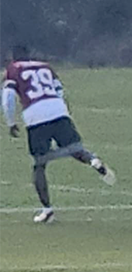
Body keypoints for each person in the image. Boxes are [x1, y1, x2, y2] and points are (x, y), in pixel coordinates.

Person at [2, 45, 116, 223]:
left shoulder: (13, 69)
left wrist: (10, 122)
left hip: (35, 116)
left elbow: (8, 97)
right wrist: (64, 111)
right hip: (58, 110)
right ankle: (93, 160)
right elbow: (60, 91)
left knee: (39, 164)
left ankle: (47, 210)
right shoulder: (45, 66)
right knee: (75, 148)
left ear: (13, 58)